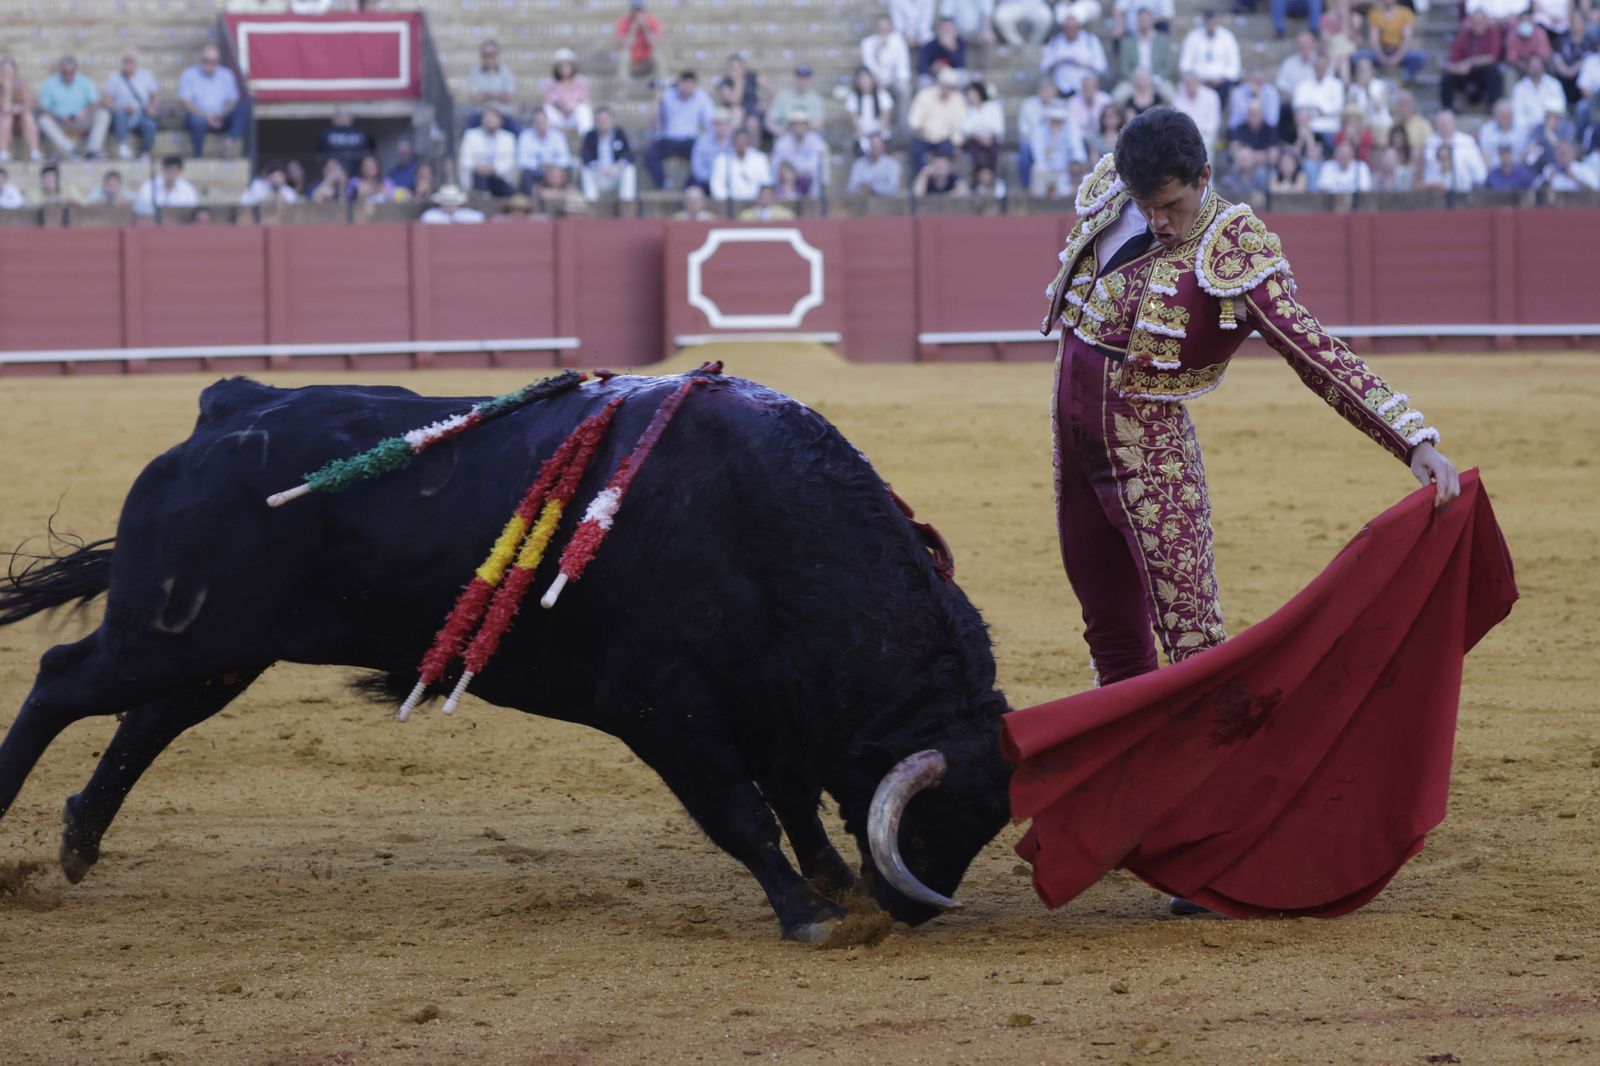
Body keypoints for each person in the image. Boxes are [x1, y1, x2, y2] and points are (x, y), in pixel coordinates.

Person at [1037, 111, 1457, 920]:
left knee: (1193, 648)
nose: (1157, 222)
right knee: (1112, 637)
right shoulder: (1116, 191)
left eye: (1170, 207)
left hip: (1150, 456)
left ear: (1202, 177)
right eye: (1145, 205)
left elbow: (1312, 350)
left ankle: (1226, 843)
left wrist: (1412, 440)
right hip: (1074, 441)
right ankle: (1141, 820)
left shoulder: (1234, 246)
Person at [178, 43, 247, 157]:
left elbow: (233, 101)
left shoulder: (227, 75)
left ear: (218, 61)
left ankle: (230, 142)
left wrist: (220, 114)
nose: (210, 64)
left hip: (221, 115)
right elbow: (186, 102)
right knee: (197, 122)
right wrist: (206, 116)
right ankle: (198, 156)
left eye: (213, 61)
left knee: (244, 107)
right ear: (201, 60)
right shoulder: (189, 74)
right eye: (207, 60)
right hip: (199, 115)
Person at [37, 55, 111, 160]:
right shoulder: (50, 83)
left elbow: (95, 102)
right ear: (60, 70)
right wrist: (58, 116)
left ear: (75, 70)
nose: (68, 75)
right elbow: (43, 106)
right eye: (65, 72)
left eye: (71, 72)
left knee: (103, 114)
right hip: (60, 121)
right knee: (43, 120)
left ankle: (92, 151)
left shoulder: (85, 82)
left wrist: (85, 112)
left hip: (83, 119)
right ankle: (71, 151)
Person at [648, 71, 714, 188]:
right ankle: (663, 183)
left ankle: (689, 187)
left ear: (695, 85)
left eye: (690, 83)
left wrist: (707, 138)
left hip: (690, 140)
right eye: (684, 83)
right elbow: (653, 122)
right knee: (650, 154)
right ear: (679, 83)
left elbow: (710, 121)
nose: (687, 87)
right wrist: (656, 101)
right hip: (669, 139)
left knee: (703, 156)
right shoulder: (667, 95)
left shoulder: (701, 97)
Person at [907, 66, 968, 175]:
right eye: (944, 85)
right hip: (924, 137)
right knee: (916, 153)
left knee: (949, 151)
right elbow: (914, 119)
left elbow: (959, 124)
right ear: (938, 83)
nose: (946, 89)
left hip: (944, 140)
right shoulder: (924, 95)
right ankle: (923, 180)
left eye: (949, 87)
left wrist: (957, 143)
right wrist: (918, 129)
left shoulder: (958, 99)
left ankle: (943, 181)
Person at [1442, 10, 1506, 113]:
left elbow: (1492, 57)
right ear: (1471, 23)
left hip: (1483, 76)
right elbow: (1451, 59)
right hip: (1466, 75)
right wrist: (1456, 68)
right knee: (1447, 78)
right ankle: (1447, 110)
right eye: (1475, 22)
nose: (1478, 25)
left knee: (1492, 70)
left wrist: (1470, 63)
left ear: (1486, 22)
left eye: (1480, 22)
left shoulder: (1493, 32)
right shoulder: (1465, 34)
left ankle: (1492, 107)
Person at [101, 51, 160, 160]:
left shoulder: (146, 75)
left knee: (150, 126)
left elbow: (156, 95)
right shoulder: (114, 77)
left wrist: (152, 107)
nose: (128, 65)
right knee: (119, 115)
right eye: (126, 62)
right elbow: (106, 100)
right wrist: (119, 108)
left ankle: (145, 153)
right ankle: (122, 146)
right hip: (121, 114)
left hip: (140, 113)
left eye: (131, 62)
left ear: (136, 63)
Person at [1178, 10, 1241, 110]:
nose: (1211, 26)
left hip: (1221, 82)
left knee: (1226, 88)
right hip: (1198, 81)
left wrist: (1221, 78)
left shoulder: (1228, 38)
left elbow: (1234, 66)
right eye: (1209, 23)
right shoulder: (1192, 37)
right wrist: (1196, 78)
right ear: (1204, 22)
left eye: (1213, 23)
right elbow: (1185, 64)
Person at [1355, 0, 1427, 86]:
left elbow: (1407, 40)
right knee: (1358, 56)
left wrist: (1396, 58)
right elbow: (1374, 40)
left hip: (1399, 51)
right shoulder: (1375, 14)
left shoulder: (1405, 13)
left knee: (1421, 57)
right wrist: (1382, 57)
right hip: (1382, 51)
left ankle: (1403, 78)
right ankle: (1374, 79)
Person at [580, 105, 638, 201]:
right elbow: (585, 155)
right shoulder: (590, 136)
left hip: (615, 173)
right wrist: (598, 168)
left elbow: (629, 154)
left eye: (606, 119)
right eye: (600, 119)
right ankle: (591, 203)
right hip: (598, 173)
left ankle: (627, 202)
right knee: (586, 171)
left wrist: (617, 166)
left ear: (612, 120)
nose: (603, 122)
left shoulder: (620, 134)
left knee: (629, 169)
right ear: (595, 121)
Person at [458, 106, 518, 197]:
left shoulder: (508, 138)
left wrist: (492, 169)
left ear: (500, 121)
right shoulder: (471, 135)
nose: (489, 121)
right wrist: (478, 167)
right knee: (480, 179)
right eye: (487, 118)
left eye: (493, 118)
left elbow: (509, 163)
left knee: (509, 192)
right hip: (477, 176)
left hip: (499, 177)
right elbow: (465, 160)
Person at [1042, 16, 1110, 97]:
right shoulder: (1055, 42)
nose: (1070, 31)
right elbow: (1044, 67)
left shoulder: (1090, 40)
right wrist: (1059, 62)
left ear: (1078, 27)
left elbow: (1102, 67)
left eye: (1073, 28)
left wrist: (1082, 64)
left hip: (1085, 93)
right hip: (1060, 92)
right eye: (1067, 28)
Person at [1029, 102, 1087, 194]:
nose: (1056, 122)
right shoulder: (1040, 130)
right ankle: (1037, 202)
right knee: (1037, 169)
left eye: (1059, 120)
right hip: (1046, 170)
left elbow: (1078, 152)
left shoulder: (1071, 130)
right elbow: (1039, 157)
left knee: (1065, 191)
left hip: (1065, 171)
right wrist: (1054, 139)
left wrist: (1074, 166)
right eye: (1054, 119)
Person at [769, 111, 829, 196]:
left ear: (807, 126)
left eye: (802, 124)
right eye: (796, 124)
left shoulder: (817, 142)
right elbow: (777, 165)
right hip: (787, 182)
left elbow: (815, 167)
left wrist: (795, 172)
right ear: (791, 126)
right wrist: (792, 174)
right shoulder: (782, 143)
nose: (799, 127)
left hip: (809, 182)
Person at [515, 107, 573, 193]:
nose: (540, 123)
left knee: (566, 170)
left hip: (555, 171)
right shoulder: (525, 136)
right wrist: (540, 165)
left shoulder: (558, 136)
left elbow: (566, 157)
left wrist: (552, 166)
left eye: (543, 120)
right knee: (525, 175)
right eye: (537, 121)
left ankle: (565, 200)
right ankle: (530, 201)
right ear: (533, 123)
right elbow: (522, 160)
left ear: (548, 121)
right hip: (535, 172)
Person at [1117, 10, 1177, 89]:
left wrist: (1156, 79)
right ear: (1137, 22)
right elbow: (1124, 68)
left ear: (1152, 21)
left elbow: (1167, 66)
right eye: (1141, 20)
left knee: (1170, 94)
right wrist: (1137, 79)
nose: (1144, 23)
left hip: (1157, 80)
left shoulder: (1163, 40)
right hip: (1134, 81)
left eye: (1146, 20)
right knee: (1118, 97)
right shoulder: (1127, 42)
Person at [861, 15, 914, 103]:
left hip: (894, 81)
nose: (883, 29)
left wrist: (894, 80)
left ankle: (903, 117)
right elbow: (868, 67)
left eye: (886, 26)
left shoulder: (898, 42)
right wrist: (878, 50)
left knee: (904, 89)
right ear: (875, 28)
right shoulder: (867, 43)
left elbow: (903, 67)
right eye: (881, 27)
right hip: (875, 81)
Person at [466, 39, 517, 130]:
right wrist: (498, 95)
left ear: (497, 55)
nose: (489, 58)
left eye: (492, 54)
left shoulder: (506, 72)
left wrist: (486, 95)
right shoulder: (475, 73)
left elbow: (509, 97)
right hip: (481, 115)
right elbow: (474, 99)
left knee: (518, 132)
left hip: (502, 114)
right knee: (466, 131)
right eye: (485, 55)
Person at [709, 127, 771, 201]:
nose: (741, 143)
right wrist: (726, 201)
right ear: (733, 141)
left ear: (748, 141)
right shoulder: (722, 160)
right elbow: (716, 186)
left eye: (744, 140)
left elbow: (766, 182)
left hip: (755, 203)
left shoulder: (760, 158)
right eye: (738, 140)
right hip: (729, 204)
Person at [542, 48, 594, 136]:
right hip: (559, 117)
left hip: (574, 116)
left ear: (572, 67)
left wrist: (571, 106)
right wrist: (560, 105)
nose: (564, 69)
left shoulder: (580, 81)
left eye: (566, 66)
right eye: (561, 66)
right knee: (547, 110)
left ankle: (587, 139)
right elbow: (548, 101)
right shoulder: (551, 83)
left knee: (583, 110)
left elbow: (585, 100)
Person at [0, 57, 43, 162]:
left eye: (9, 70)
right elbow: (4, 107)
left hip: (19, 120)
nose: (7, 72)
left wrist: (18, 108)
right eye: (5, 70)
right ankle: (3, 151)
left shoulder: (21, 83)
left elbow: (29, 102)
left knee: (27, 115)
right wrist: (7, 88)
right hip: (4, 119)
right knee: (7, 117)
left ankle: (34, 151)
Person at [845, 66, 896, 152]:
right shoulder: (853, 97)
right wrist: (865, 137)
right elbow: (855, 121)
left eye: (866, 78)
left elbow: (885, 118)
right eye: (861, 79)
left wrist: (876, 138)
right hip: (863, 135)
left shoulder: (882, 95)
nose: (864, 81)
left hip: (880, 134)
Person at [765, 66, 826, 136]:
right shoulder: (782, 96)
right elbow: (769, 121)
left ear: (809, 81)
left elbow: (819, 121)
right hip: (786, 135)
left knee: (819, 146)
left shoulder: (816, 98)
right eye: (799, 78)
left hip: (808, 136)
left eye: (805, 79)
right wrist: (781, 132)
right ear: (795, 79)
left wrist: (803, 130)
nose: (802, 82)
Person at [133, 155, 199, 217]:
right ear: (162, 169)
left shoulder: (188, 190)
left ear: (180, 171)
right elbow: (139, 209)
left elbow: (191, 211)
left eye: (174, 169)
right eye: (168, 169)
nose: (171, 172)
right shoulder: (148, 187)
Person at [962, 80, 1005, 174]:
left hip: (992, 139)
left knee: (994, 151)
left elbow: (998, 127)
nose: (970, 97)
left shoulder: (993, 107)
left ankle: (992, 178)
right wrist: (980, 138)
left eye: (972, 93)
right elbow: (967, 129)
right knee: (974, 150)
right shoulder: (968, 110)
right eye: (968, 94)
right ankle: (977, 178)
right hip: (975, 140)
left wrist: (988, 137)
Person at [615, 0, 663, 85]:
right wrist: (634, 27)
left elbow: (655, 44)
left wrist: (645, 27)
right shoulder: (623, 22)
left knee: (658, 54)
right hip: (632, 62)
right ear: (631, 10)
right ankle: (622, 83)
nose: (638, 12)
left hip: (647, 61)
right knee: (624, 54)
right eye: (635, 9)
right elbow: (625, 45)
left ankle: (661, 82)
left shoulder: (652, 22)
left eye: (640, 9)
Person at [317, 106, 373, 176]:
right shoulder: (325, 134)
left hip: (357, 176)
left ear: (351, 117)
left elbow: (367, 155)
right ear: (333, 118)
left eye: (346, 115)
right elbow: (321, 155)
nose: (343, 118)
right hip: (334, 175)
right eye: (340, 115)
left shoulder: (362, 133)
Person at [715, 53, 767, 127]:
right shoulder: (725, 83)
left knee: (753, 122)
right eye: (732, 67)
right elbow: (735, 101)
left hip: (753, 110)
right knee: (737, 112)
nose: (734, 69)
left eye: (737, 66)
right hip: (734, 112)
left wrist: (764, 102)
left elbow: (768, 90)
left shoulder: (752, 76)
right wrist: (738, 82)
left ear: (743, 67)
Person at [918, 16, 969, 82]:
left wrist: (952, 49)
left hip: (951, 78)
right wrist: (932, 69)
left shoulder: (960, 43)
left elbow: (961, 65)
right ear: (938, 31)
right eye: (944, 29)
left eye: (949, 29)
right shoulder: (930, 44)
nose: (946, 33)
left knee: (963, 76)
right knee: (924, 79)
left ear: (955, 31)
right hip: (934, 77)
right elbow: (921, 67)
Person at [419, 183, 486, 224]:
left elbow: (479, 217)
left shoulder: (467, 215)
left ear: (458, 203)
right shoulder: (431, 215)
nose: (449, 205)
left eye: (452, 202)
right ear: (441, 203)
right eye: (446, 201)